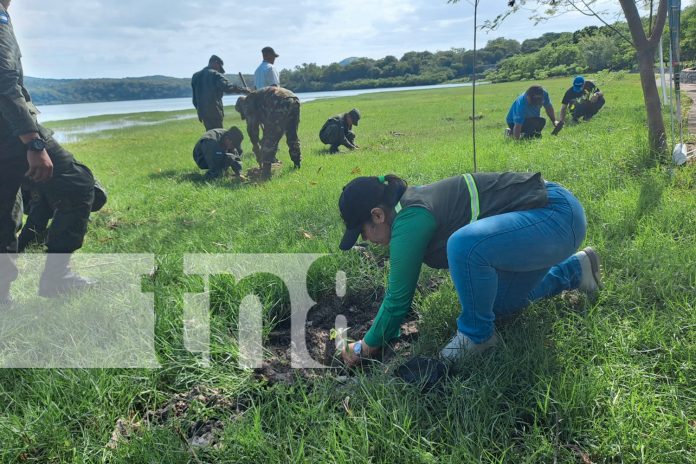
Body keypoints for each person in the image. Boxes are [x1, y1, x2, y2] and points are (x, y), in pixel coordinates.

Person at [336, 172, 602, 366]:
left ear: (378, 215)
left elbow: (397, 300)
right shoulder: (407, 208)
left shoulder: (409, 218)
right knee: (497, 304)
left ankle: (477, 336)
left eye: (364, 233)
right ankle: (577, 270)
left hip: (556, 214)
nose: (368, 241)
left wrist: (363, 347)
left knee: (463, 245)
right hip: (551, 225)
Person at [1, 0, 97, 304]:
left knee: (4, 214)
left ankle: (2, 299)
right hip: (12, 135)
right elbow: (4, 81)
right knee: (77, 183)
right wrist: (33, 142)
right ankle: (58, 277)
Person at [18, 180, 107, 252]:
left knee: (58, 228)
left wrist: (18, 247)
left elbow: (36, 222)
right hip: (89, 190)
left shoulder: (36, 183)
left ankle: (79, 219)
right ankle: (80, 218)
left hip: (90, 192)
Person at [235, 87, 301, 179]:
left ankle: (266, 172)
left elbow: (252, 127)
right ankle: (297, 163)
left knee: (269, 138)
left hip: (279, 101)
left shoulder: (247, 102)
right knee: (292, 134)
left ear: (242, 107)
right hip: (293, 98)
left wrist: (255, 145)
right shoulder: (256, 97)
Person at [191, 55, 248, 131]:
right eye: (219, 67)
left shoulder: (195, 76)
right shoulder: (215, 74)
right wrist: (244, 90)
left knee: (210, 134)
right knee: (218, 135)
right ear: (215, 63)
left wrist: (200, 110)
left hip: (203, 114)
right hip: (215, 112)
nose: (219, 70)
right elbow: (228, 88)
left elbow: (195, 100)